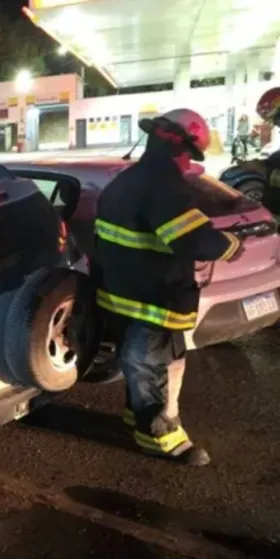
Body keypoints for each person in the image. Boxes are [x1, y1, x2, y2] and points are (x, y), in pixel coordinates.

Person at [92, 108, 244, 467]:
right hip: (155, 298)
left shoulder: (124, 181)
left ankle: (136, 419)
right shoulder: (165, 188)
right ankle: (163, 439)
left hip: (120, 295)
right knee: (155, 366)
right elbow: (194, 241)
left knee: (140, 363)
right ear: (184, 150)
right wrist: (231, 246)